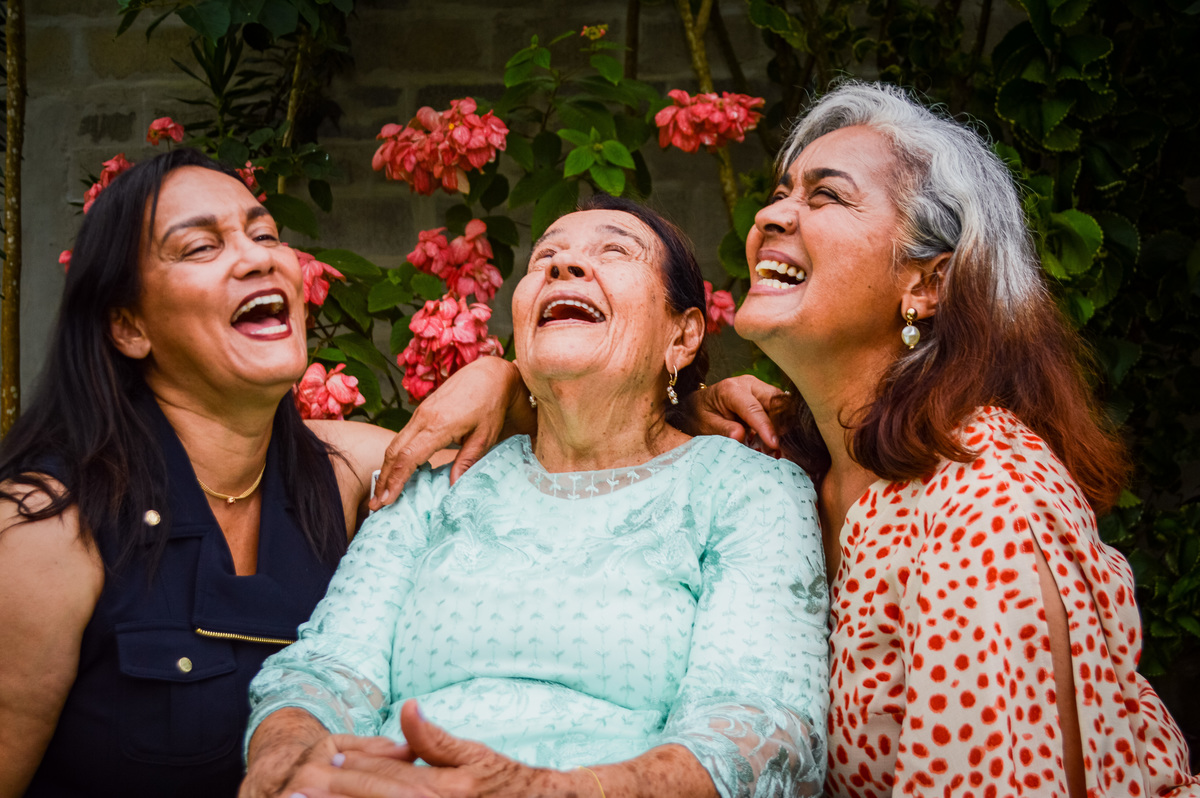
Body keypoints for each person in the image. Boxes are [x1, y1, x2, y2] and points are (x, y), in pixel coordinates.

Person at [369, 83, 1200, 797]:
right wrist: (512, 378)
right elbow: (605, 434)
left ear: (927, 280)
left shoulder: (984, 500)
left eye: (825, 196)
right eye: (780, 191)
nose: (772, 214)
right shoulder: (790, 461)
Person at [239, 195, 830, 798]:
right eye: (545, 256)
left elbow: (760, 723)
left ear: (681, 337)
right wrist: (285, 760)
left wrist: (551, 790)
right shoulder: (439, 487)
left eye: (613, 252)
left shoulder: (745, 488)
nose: (563, 267)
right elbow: (329, 669)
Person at [0, 148, 404, 797]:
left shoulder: (348, 469)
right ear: (130, 326)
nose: (257, 257)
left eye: (265, 233)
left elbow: (558, 466)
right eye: (200, 247)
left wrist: (497, 384)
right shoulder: (44, 529)